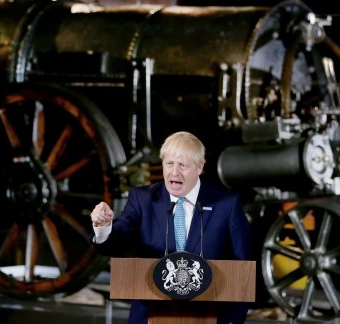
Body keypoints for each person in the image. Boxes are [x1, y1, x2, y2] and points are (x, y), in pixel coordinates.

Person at [90, 131, 252, 323]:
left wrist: (232, 320)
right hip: (149, 316)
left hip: (211, 316)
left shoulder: (226, 204)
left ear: (199, 168)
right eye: (169, 164)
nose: (174, 172)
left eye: (183, 165)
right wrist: (104, 227)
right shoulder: (143, 199)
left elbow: (244, 270)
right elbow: (117, 240)